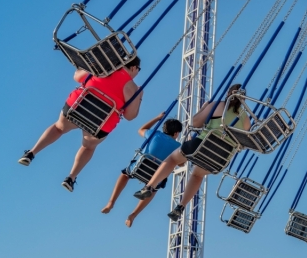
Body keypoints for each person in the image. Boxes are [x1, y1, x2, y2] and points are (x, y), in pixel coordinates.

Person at [19, 57, 143, 192]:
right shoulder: (133, 88)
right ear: (133, 68)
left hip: (77, 107)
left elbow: (77, 76)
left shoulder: (103, 66)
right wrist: (139, 97)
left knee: (59, 127)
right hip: (100, 123)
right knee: (88, 146)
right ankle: (71, 177)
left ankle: (31, 153)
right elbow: (130, 116)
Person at [133, 84, 250, 222]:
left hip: (202, 146)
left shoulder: (218, 105)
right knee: (197, 175)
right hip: (221, 158)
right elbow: (243, 142)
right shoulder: (246, 119)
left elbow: (195, 123)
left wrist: (204, 108)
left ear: (228, 93)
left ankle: (149, 186)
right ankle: (180, 207)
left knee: (172, 159)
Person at [101, 114, 183, 227]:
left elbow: (141, 130)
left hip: (140, 167)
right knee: (153, 190)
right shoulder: (178, 146)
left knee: (124, 175)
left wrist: (156, 118)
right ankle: (133, 215)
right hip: (156, 177)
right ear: (176, 133)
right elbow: (181, 163)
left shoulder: (154, 134)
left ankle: (111, 202)